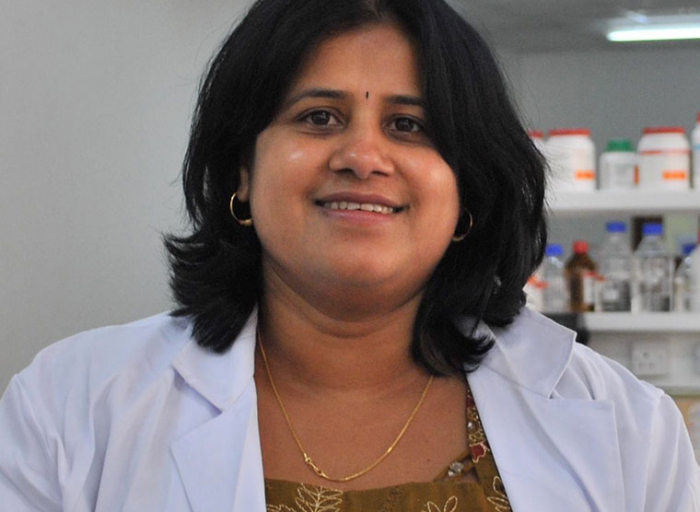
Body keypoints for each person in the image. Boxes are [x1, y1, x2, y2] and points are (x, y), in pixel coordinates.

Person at [1, 0, 698, 510]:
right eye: (319, 117)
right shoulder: (71, 408)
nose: (363, 156)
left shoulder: (628, 426)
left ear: (467, 190)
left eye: (409, 125)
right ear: (242, 171)